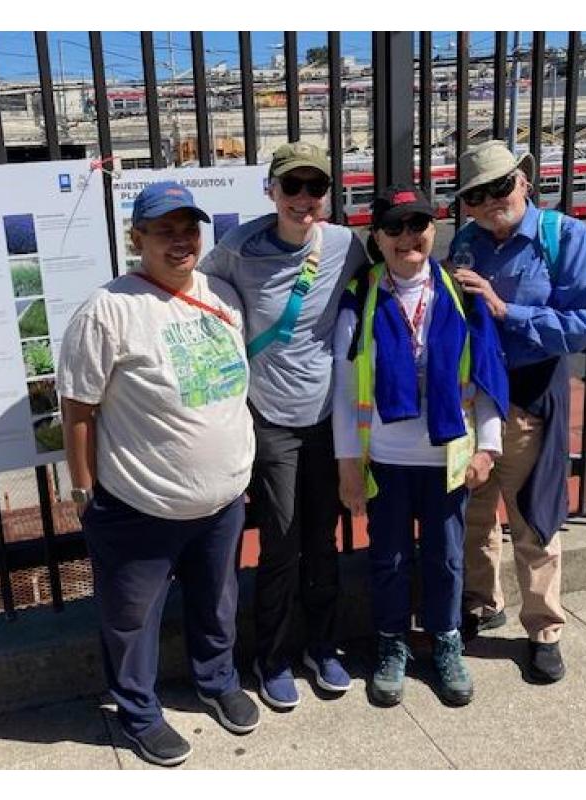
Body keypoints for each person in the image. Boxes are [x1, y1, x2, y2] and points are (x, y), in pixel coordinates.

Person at [58, 181, 259, 767]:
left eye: (188, 229)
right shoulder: (109, 310)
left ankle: (216, 680)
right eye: (164, 231)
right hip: (138, 504)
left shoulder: (220, 295)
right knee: (132, 619)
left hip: (222, 501)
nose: (180, 241)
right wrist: (81, 487)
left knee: (218, 600)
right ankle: (139, 712)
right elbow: (77, 407)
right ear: (136, 238)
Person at [200, 141, 368, 710]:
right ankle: (270, 657)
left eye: (314, 188)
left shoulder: (345, 244)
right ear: (270, 189)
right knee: (281, 543)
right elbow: (197, 297)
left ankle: (322, 648)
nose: (303, 199)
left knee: (324, 540)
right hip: (270, 418)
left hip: (327, 417)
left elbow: (382, 289)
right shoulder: (239, 247)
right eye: (291, 187)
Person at [333, 185, 508, 706]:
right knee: (386, 559)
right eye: (395, 227)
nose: (408, 237)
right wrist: (348, 464)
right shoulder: (360, 295)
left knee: (447, 557)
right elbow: (344, 391)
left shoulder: (460, 289)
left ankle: (445, 640)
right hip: (385, 457)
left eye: (419, 224)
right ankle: (391, 642)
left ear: (434, 229)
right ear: (377, 238)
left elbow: (488, 374)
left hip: (446, 457)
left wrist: (488, 448)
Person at [447, 140, 586, 683]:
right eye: (476, 194)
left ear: (524, 182)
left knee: (531, 518)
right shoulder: (467, 241)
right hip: (471, 395)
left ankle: (544, 628)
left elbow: (585, 321)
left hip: (527, 393)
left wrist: (504, 309)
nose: (492, 201)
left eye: (500, 186)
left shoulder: (564, 237)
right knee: (473, 511)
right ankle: (481, 601)